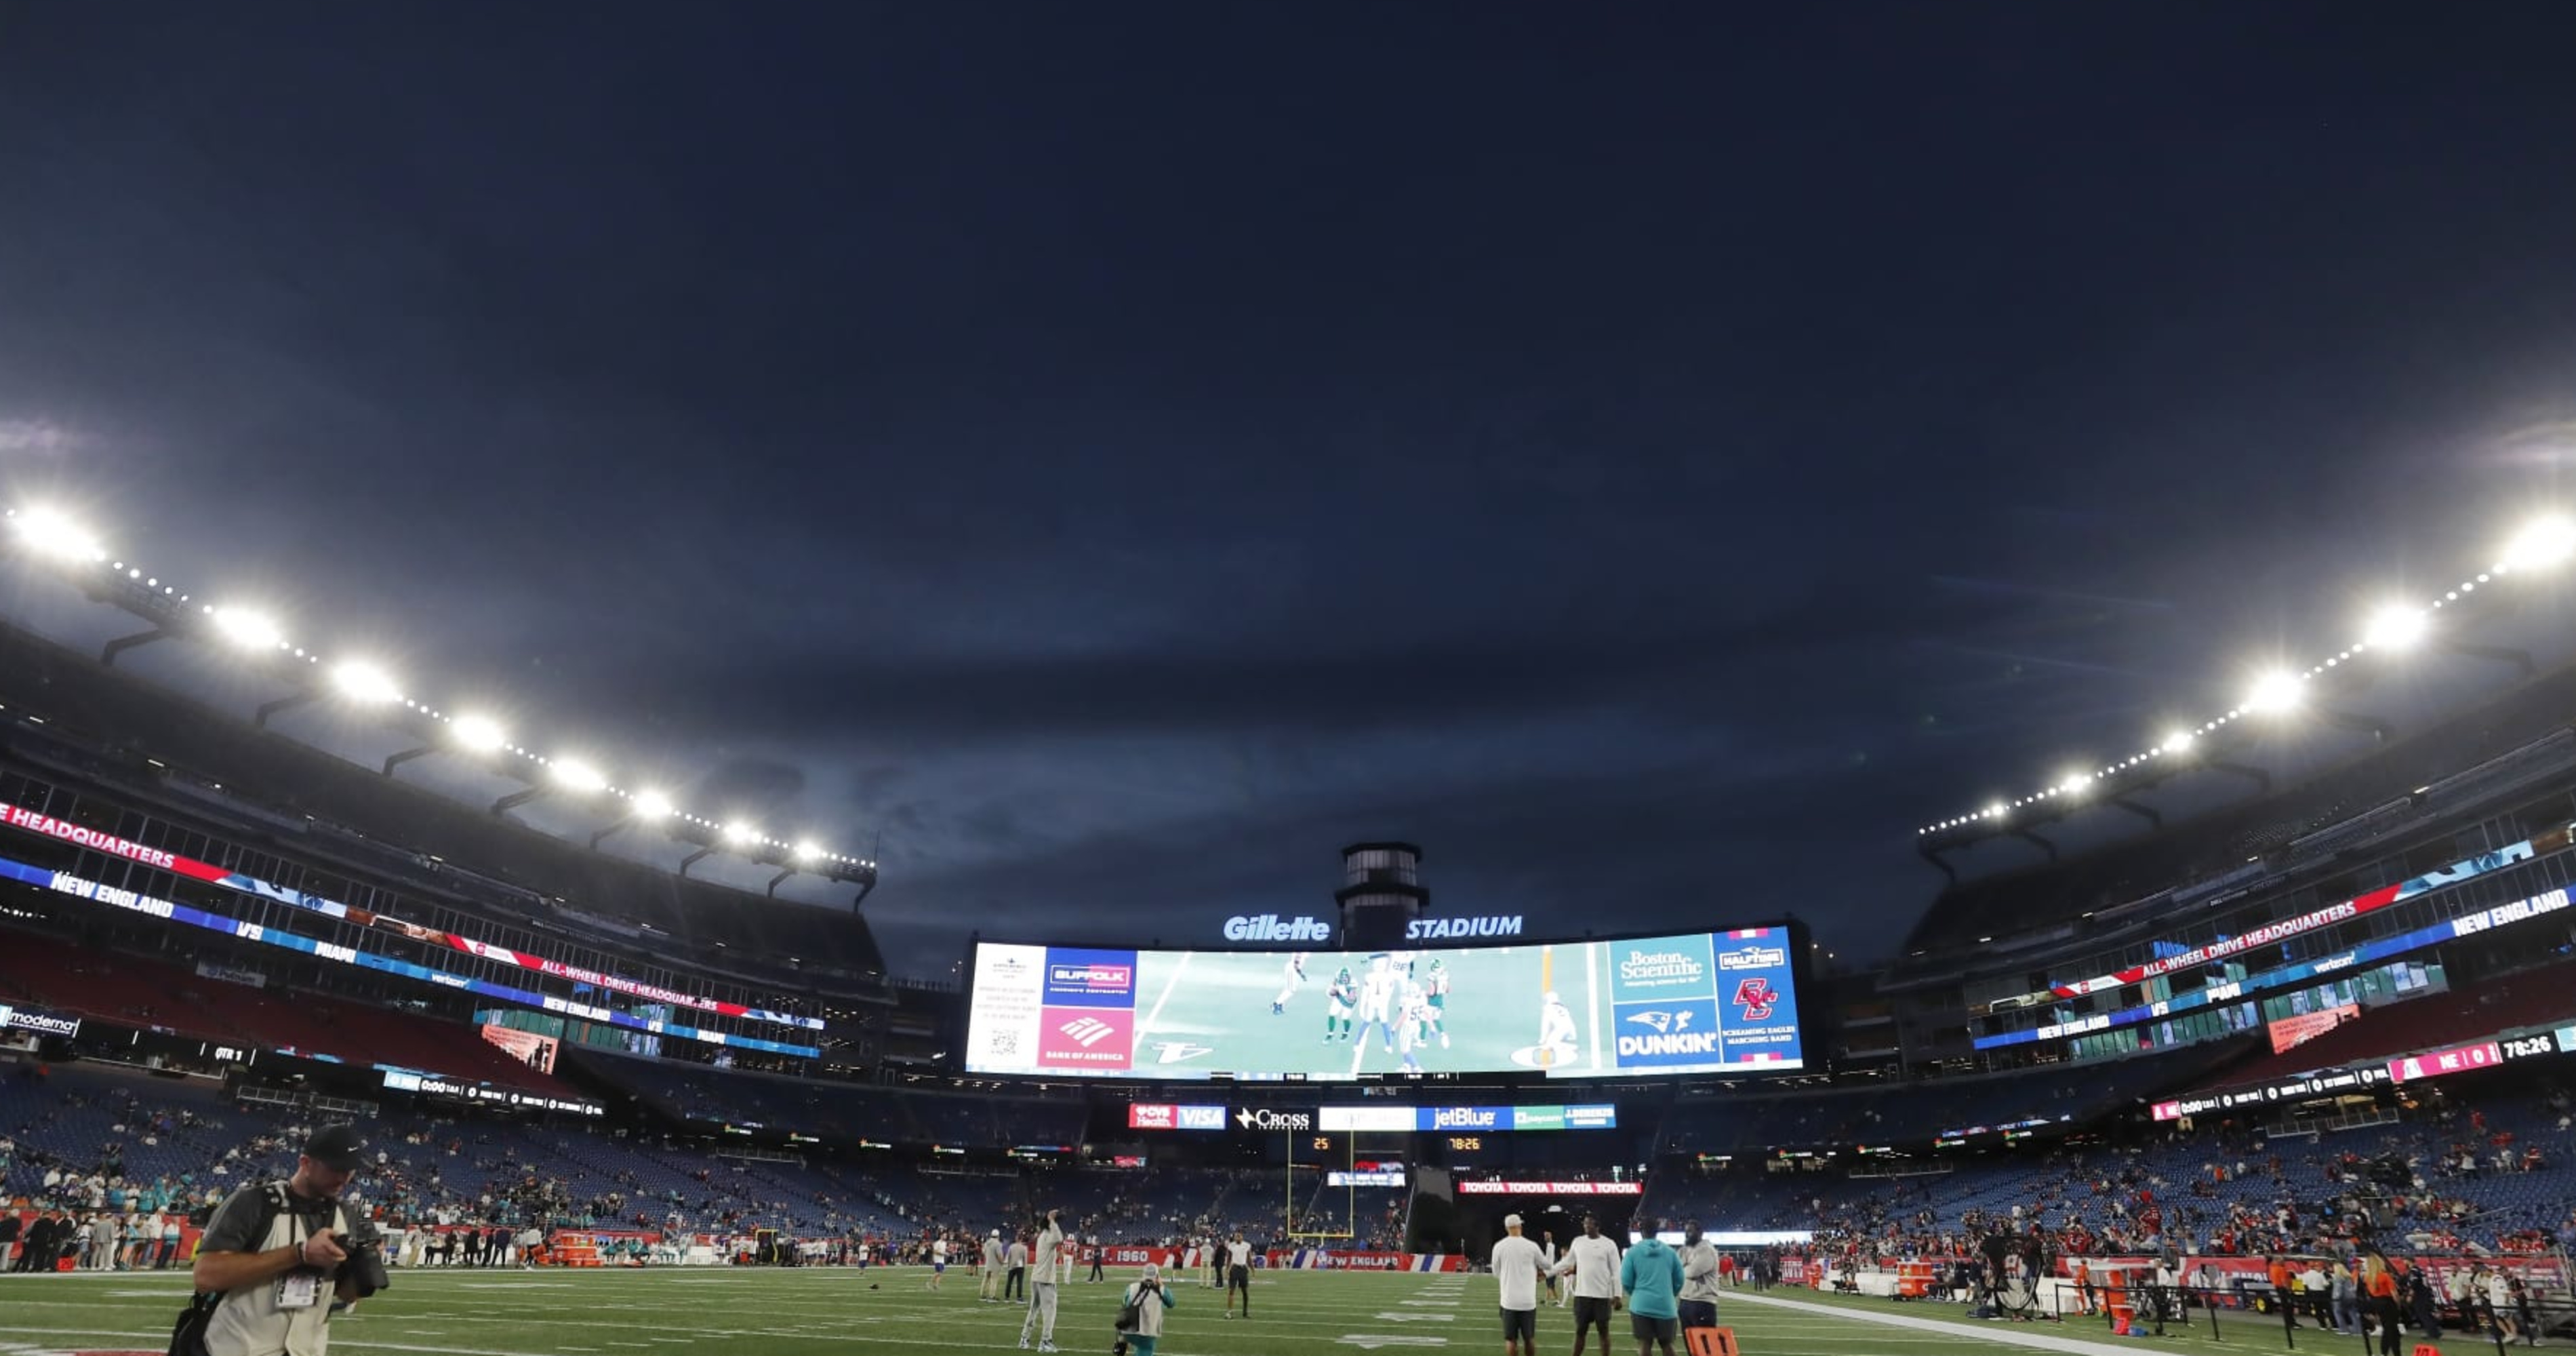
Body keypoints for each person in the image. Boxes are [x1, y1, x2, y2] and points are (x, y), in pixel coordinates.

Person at [190, 1124, 370, 1356]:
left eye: (351, 1170)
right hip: (237, 1349)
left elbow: (345, 1294)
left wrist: (363, 1275)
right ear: (305, 1163)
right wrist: (298, 1254)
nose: (344, 1178)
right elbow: (206, 1276)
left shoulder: (345, 1213)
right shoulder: (254, 1203)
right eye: (335, 1168)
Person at [1550, 1216, 1623, 1356]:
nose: (1585, 1225)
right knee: (1580, 1332)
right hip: (1582, 1295)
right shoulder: (1578, 1242)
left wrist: (1618, 1295)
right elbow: (1566, 1262)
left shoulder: (1609, 1244)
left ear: (1597, 1225)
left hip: (1602, 1296)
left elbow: (1616, 1271)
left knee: (1603, 1332)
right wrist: (1548, 1272)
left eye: (1589, 1223)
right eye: (1584, 1223)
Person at [1619, 1229, 1684, 1356]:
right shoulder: (1670, 1252)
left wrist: (1637, 1294)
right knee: (1667, 1344)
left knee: (1645, 1343)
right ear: (1657, 1232)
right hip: (1666, 1305)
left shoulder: (1632, 1252)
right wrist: (1670, 1294)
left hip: (1641, 1305)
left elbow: (1626, 1280)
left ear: (1641, 1233)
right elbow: (1680, 1279)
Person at [1492, 1214, 1550, 1356]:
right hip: (1527, 1301)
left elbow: (1496, 1273)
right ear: (1520, 1226)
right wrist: (1550, 1244)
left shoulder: (1499, 1246)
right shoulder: (1532, 1246)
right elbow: (1547, 1265)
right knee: (1529, 1339)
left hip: (1508, 1300)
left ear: (1507, 1228)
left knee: (1511, 1340)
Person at [1019, 1209, 1064, 1352]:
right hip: (1045, 1279)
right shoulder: (1048, 1236)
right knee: (1049, 1311)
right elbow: (1059, 1238)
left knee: (1034, 1309)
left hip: (1037, 1276)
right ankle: (1046, 1341)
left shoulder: (1042, 1236)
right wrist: (1052, 1220)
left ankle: (1024, 1338)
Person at [1115, 1262, 1177, 1356]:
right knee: (1145, 1349)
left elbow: (1125, 1304)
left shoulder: (1132, 1287)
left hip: (1129, 1329)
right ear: (1157, 1275)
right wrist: (1161, 1285)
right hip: (1148, 1332)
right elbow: (1171, 1303)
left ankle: (1122, 1341)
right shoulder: (1162, 1290)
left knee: (1137, 1346)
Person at [1674, 1225, 1718, 1332]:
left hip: (1702, 1302)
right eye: (1686, 1231)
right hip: (1685, 1301)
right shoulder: (1684, 1249)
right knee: (1690, 1345)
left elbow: (1693, 1272)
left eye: (1690, 1231)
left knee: (1705, 1346)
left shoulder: (1707, 1250)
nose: (1686, 1234)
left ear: (1700, 1233)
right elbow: (1674, 1268)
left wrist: (1683, 1267)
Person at [1224, 1231, 1252, 1318]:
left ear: (1242, 1237)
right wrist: (1227, 1270)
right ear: (1235, 1237)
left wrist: (1253, 1269)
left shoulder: (1247, 1245)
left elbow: (1249, 1259)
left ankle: (1245, 1312)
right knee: (1231, 1291)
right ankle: (1229, 1312)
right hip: (1234, 1268)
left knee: (1245, 1292)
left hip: (1243, 1269)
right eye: (1236, 1236)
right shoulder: (1231, 1246)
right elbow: (1228, 1259)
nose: (1238, 1238)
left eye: (1239, 1236)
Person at [982, 1229, 1006, 1302]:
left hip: (988, 1264)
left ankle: (982, 1295)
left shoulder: (987, 1243)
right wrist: (1002, 1262)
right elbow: (999, 1255)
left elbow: (983, 1252)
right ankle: (992, 1296)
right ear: (998, 1236)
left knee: (986, 1280)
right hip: (995, 1265)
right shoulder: (998, 1244)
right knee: (994, 1281)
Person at [1005, 1233, 1029, 1302]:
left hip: (1012, 1265)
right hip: (1020, 1266)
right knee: (1020, 1282)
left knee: (1009, 1282)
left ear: (1016, 1239)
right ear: (1021, 1239)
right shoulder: (1024, 1247)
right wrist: (1025, 1265)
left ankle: (1007, 1297)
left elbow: (1008, 1256)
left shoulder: (1011, 1246)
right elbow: (1025, 1258)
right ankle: (1019, 1297)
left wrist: (1008, 1265)